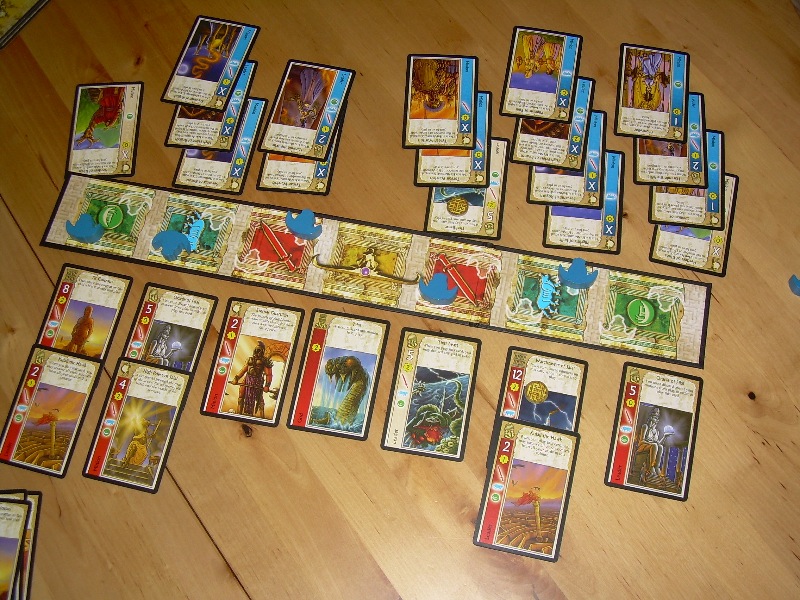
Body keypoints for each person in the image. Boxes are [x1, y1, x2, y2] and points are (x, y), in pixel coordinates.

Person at [232, 341, 273, 417]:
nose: (257, 352)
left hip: (257, 381)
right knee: (241, 397)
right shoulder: (250, 359)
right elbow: (243, 370)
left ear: (262, 351)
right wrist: (236, 378)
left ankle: (262, 417)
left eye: (259, 350)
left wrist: (267, 385)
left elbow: (268, 374)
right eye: (256, 350)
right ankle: (238, 415)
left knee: (260, 400)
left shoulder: (264, 361)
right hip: (247, 379)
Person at [636, 407, 674, 478]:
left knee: (660, 447)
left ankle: (656, 467)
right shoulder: (645, 426)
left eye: (657, 417)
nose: (655, 418)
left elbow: (658, 444)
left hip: (652, 446)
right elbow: (641, 441)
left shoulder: (657, 431)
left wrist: (664, 436)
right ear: (651, 416)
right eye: (654, 415)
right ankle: (651, 467)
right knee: (654, 445)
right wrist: (651, 443)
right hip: (642, 446)